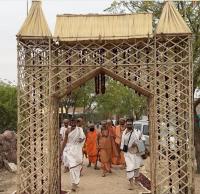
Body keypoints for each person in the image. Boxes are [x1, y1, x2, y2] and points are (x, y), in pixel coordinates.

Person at [60, 118, 85, 191]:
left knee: (78, 167)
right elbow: (64, 141)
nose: (73, 123)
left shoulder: (80, 129)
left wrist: (80, 140)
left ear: (76, 123)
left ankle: (76, 182)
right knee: (72, 167)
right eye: (72, 121)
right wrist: (61, 152)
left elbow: (83, 137)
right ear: (70, 123)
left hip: (77, 150)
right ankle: (73, 184)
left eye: (75, 121)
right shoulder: (67, 131)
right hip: (70, 150)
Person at [120, 118, 144, 190]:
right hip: (127, 153)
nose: (129, 125)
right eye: (127, 124)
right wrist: (122, 150)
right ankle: (131, 184)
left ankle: (136, 181)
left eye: (130, 124)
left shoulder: (137, 132)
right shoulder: (124, 132)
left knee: (136, 167)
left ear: (132, 124)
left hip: (136, 153)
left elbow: (142, 139)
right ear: (126, 124)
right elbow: (122, 142)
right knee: (130, 167)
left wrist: (136, 143)